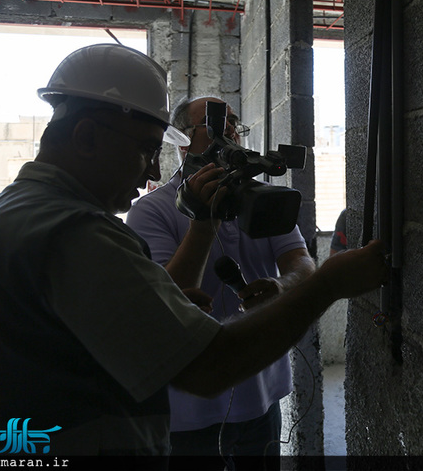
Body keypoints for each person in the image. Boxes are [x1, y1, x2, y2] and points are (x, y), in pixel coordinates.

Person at [0, 44, 387, 457]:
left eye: (235, 127)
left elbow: (294, 260)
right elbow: (209, 366)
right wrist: (329, 284)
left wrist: (284, 285)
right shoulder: (75, 232)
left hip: (256, 402)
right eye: (147, 149)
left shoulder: (22, 210)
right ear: (87, 136)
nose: (153, 170)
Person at [126, 96, 316, 462]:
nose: (229, 130)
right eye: (214, 124)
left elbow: (302, 264)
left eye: (233, 123)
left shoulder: (263, 200)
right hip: (187, 411)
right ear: (182, 140)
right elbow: (169, 302)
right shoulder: (151, 212)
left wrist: (281, 287)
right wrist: (205, 219)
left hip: (262, 396)